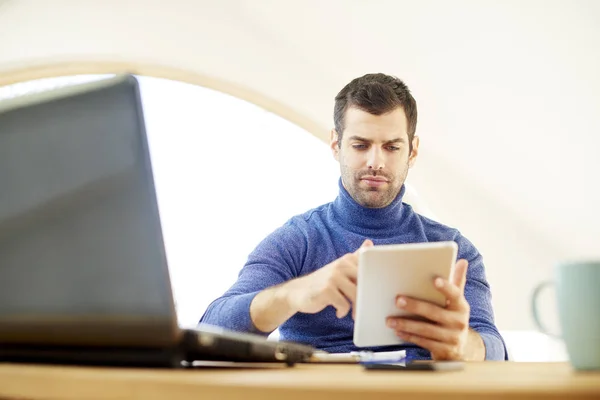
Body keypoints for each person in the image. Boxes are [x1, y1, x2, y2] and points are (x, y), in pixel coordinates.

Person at [200, 73, 507, 361]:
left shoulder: (454, 248)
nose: (376, 162)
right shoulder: (297, 240)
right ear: (336, 145)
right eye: (361, 145)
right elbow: (209, 330)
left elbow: (494, 348)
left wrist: (463, 344)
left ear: (412, 151)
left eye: (392, 147)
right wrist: (295, 293)